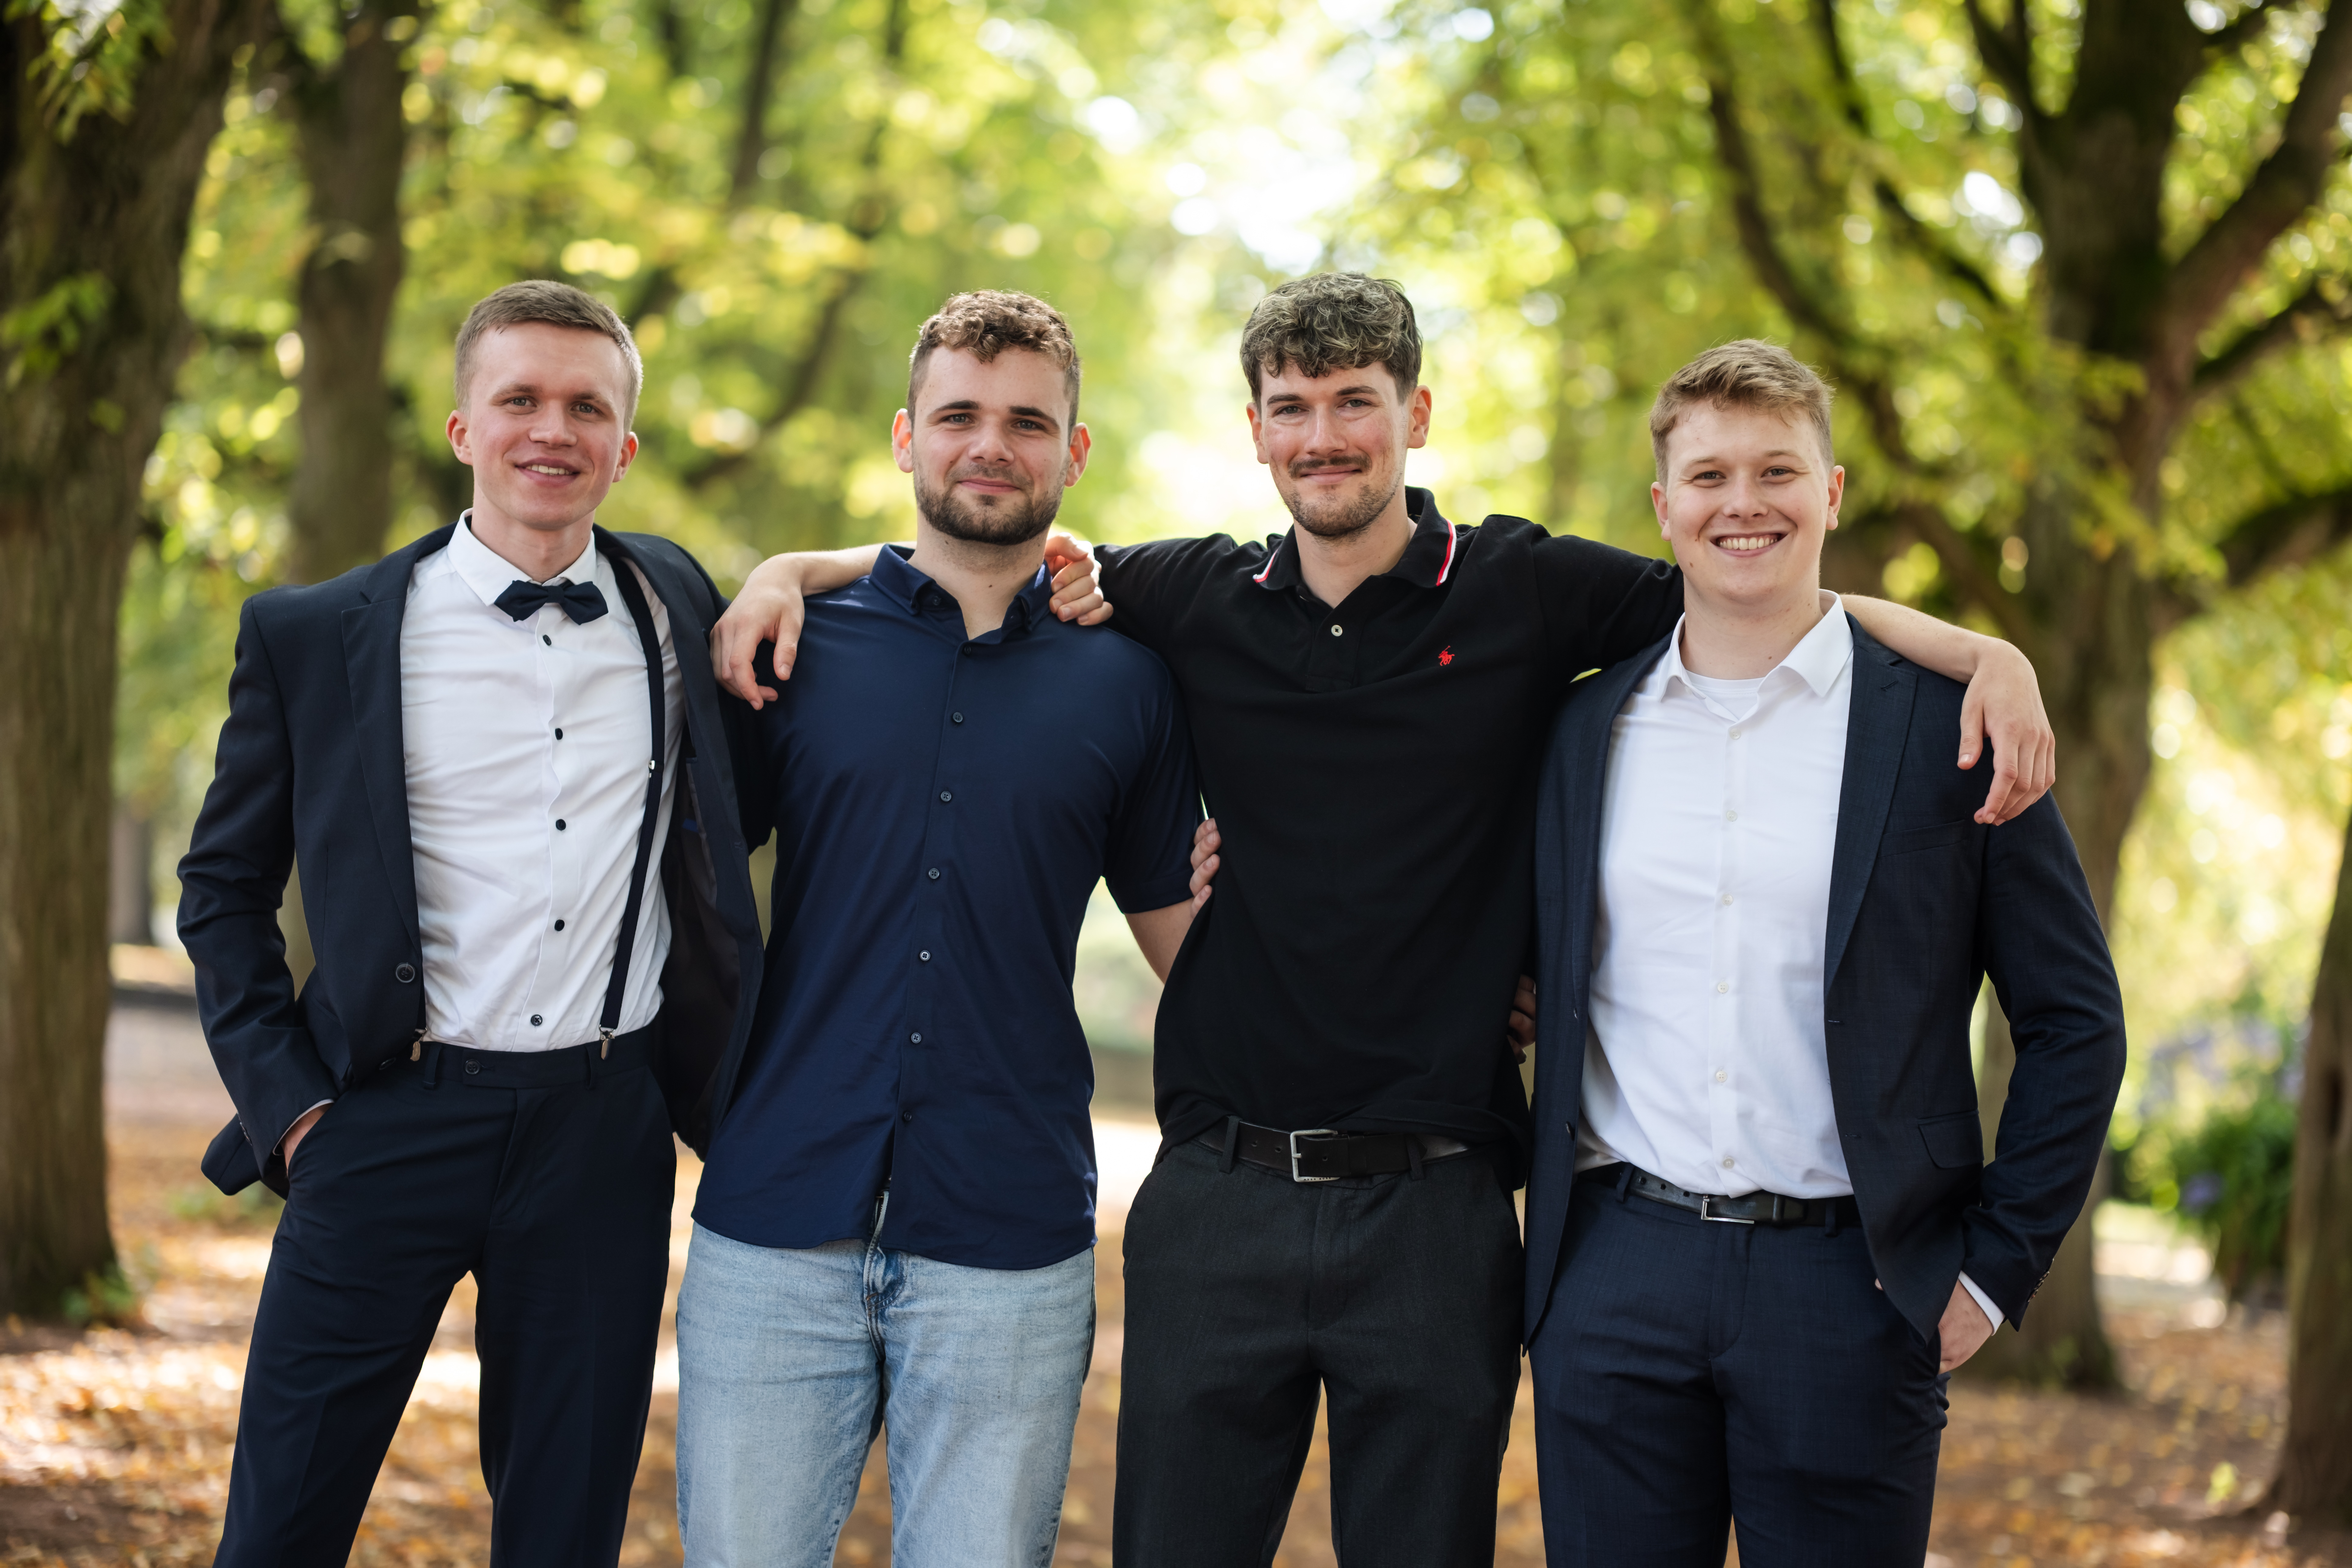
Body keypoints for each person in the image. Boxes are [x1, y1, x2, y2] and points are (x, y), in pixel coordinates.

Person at [709, 274, 2058, 1566]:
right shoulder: (1191, 597)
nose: (1323, 436)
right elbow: (979, 544)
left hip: (1438, 1209)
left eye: (1355, 400)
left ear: (1415, 416)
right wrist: (795, 570)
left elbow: (1763, 591)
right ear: (1254, 433)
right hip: (1216, 1197)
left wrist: (1985, 654)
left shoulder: (1530, 591)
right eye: (1290, 407)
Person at [178, 280, 767, 1567]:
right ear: (462, 428)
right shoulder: (315, 633)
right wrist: (292, 1108)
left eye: (586, 405)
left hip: (604, 1136)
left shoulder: (680, 607)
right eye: (520, 398)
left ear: (625, 443)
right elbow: (221, 890)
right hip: (379, 1119)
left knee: (564, 1532)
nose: (551, 429)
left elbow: (763, 807)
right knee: (280, 1525)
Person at [1521, 341, 2126, 1563]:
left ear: (1833, 493)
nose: (1743, 504)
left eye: (1777, 471)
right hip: (1613, 1276)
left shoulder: (1953, 726)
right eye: (1709, 476)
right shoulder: (1584, 726)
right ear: (1664, 507)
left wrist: (1992, 1273)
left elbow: (2076, 1020)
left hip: (1854, 1287)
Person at [673, 291, 1207, 1568]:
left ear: (1073, 456)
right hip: (774, 1216)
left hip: (1007, 1238)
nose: (991, 443)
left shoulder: (1130, 683)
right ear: (905, 437)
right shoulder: (788, 648)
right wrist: (786, 569)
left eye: (1029, 422)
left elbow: (1194, 949)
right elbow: (665, 886)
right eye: (959, 414)